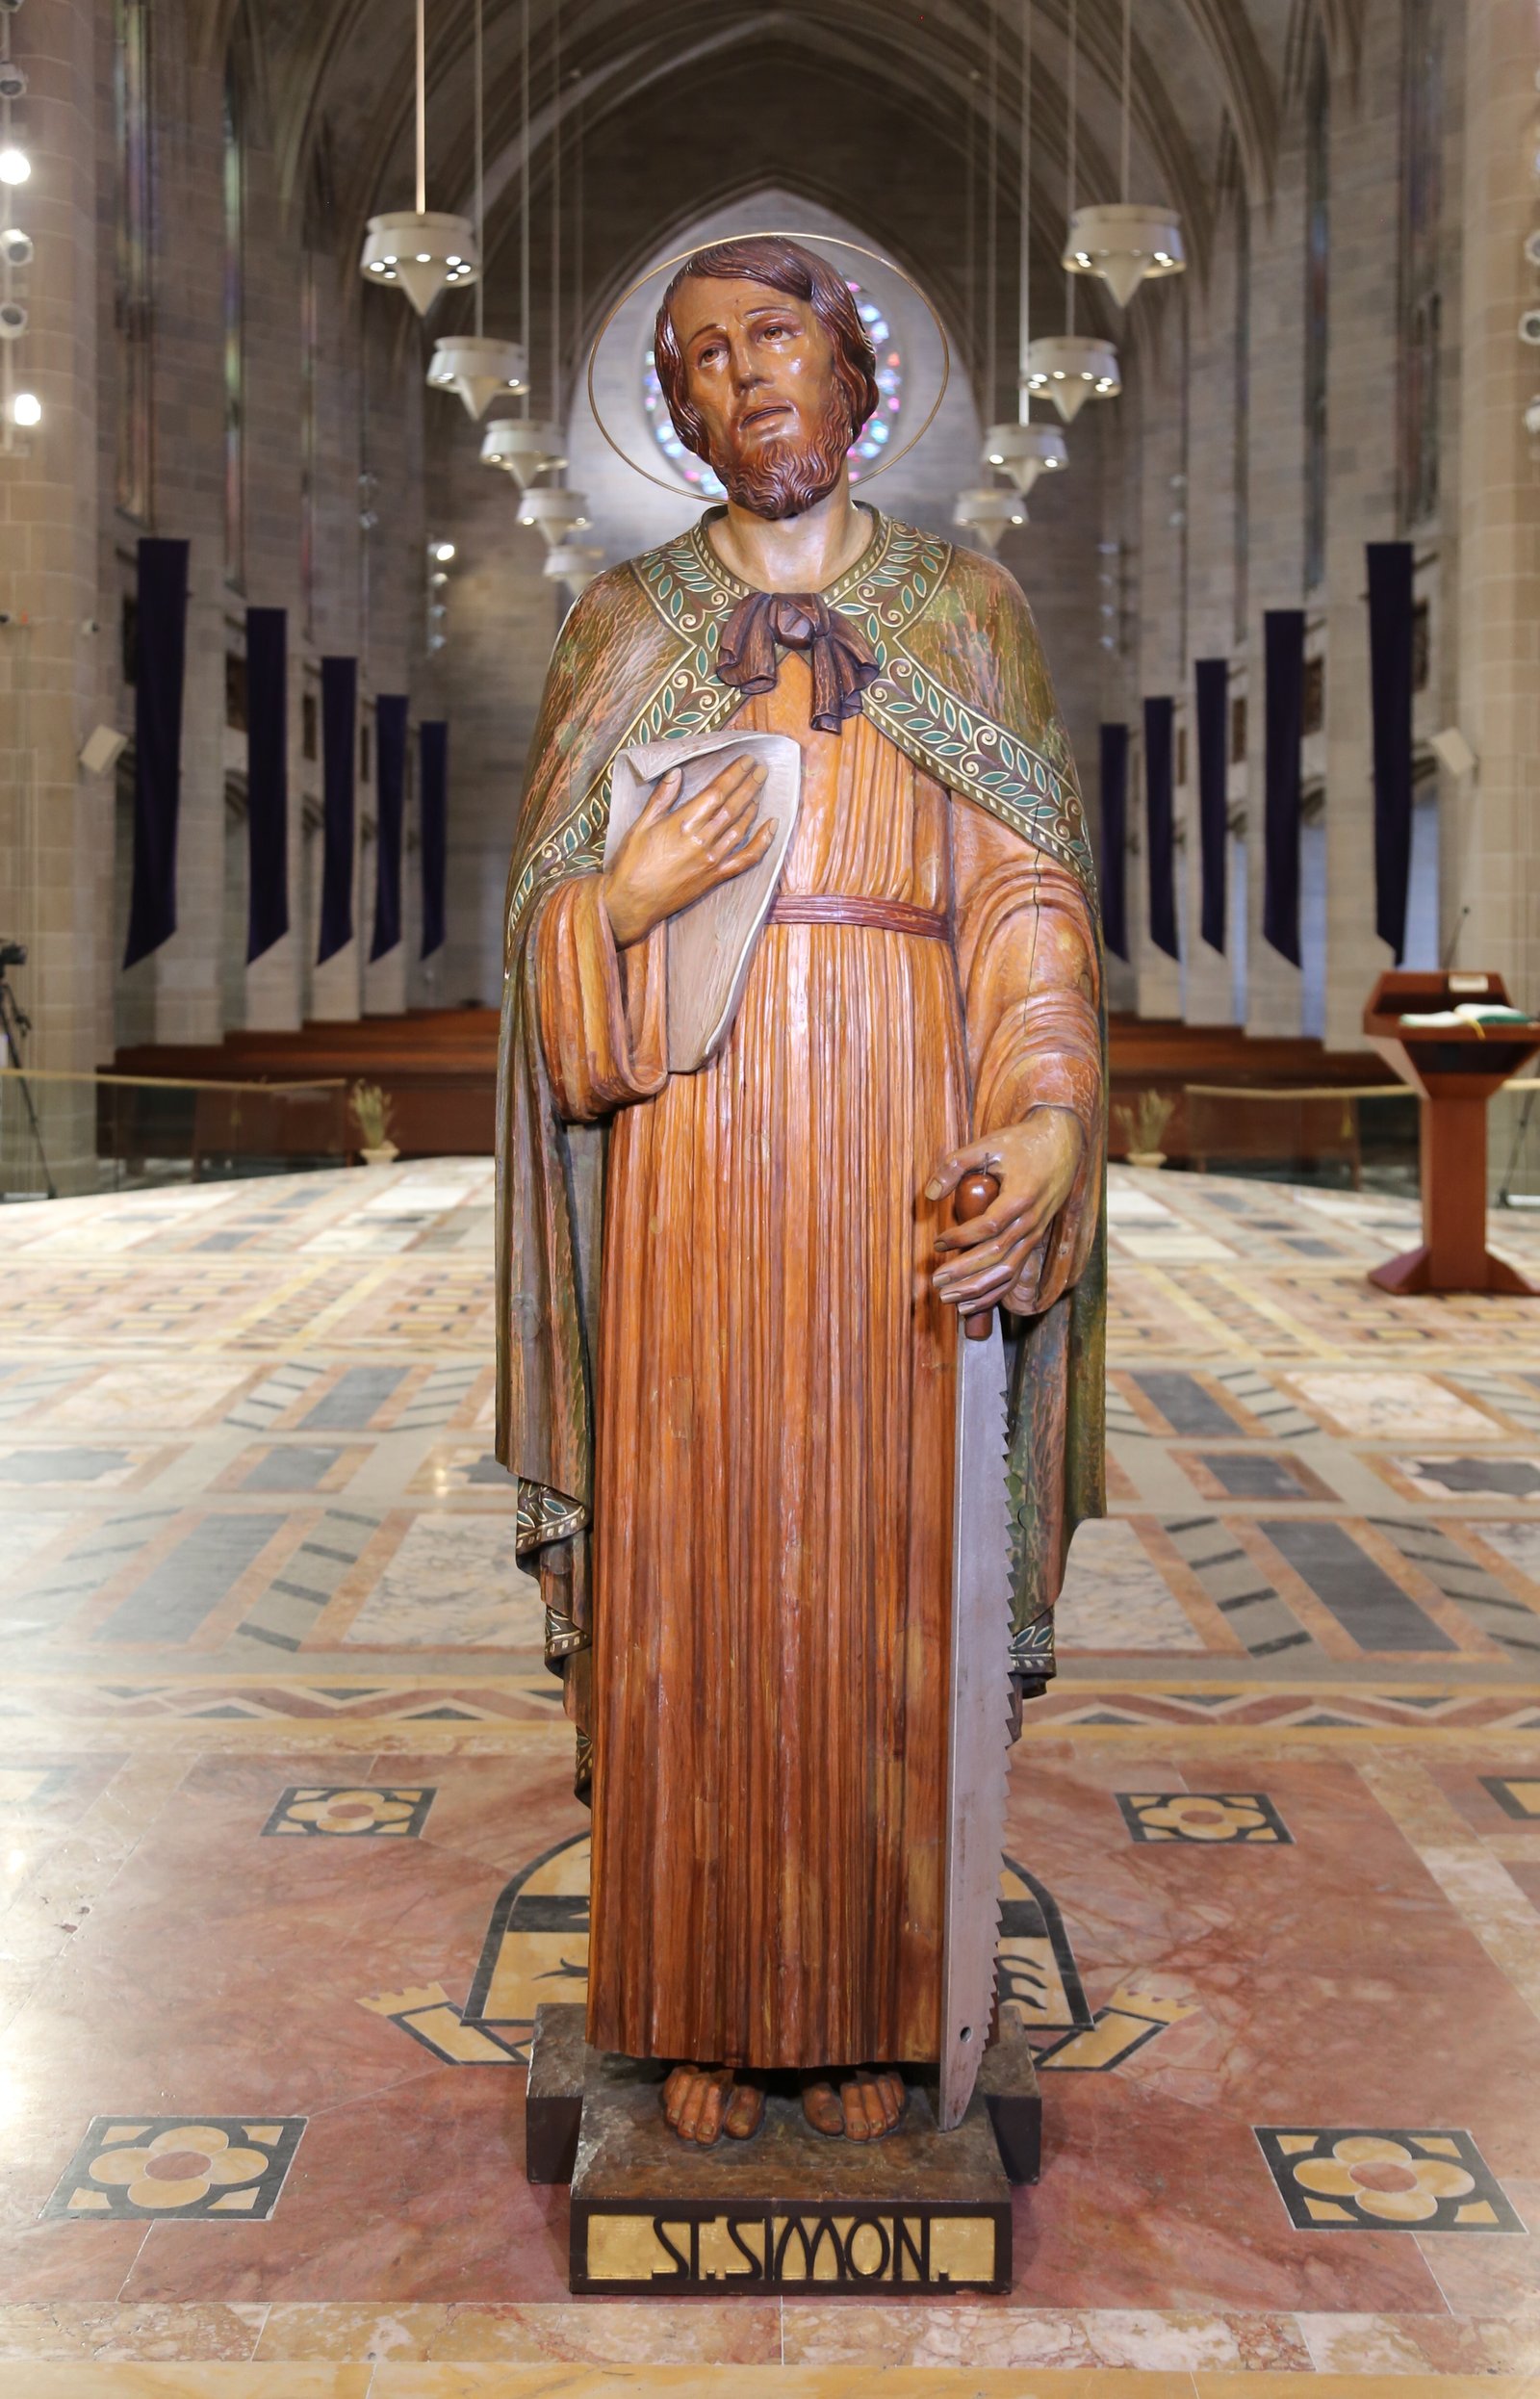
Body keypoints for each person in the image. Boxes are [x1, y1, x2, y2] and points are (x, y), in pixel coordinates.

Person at [496, 237, 1105, 2147]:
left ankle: (867, 2001)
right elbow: (543, 947)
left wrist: (1048, 1112)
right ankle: (694, 1991)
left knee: (872, 1568)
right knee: (698, 1570)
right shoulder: (619, 623)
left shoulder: (965, 611)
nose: (739, 375)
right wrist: (630, 901)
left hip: (899, 1152)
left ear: (858, 376)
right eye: (695, 358)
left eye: (774, 337)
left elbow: (1020, 895)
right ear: (672, 417)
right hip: (694, 1155)